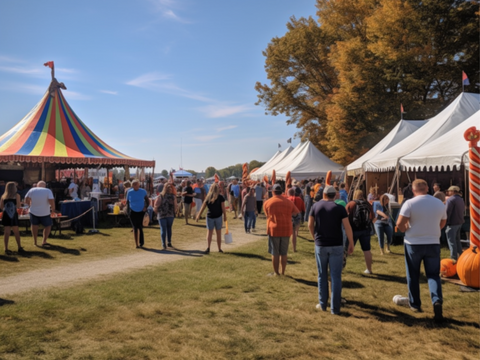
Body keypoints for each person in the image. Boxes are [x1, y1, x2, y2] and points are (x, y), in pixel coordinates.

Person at [396, 179, 447, 322]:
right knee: (433, 275)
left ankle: (415, 304)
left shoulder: (410, 203)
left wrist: (405, 229)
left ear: (413, 190)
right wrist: (434, 230)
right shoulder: (438, 203)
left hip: (413, 242)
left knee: (413, 274)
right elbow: (443, 222)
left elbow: (399, 223)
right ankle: (436, 301)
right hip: (433, 242)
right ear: (427, 188)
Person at [309, 185, 354, 315]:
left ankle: (323, 304)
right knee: (336, 277)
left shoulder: (315, 206)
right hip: (337, 245)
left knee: (322, 275)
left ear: (323, 194)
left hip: (321, 244)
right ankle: (335, 308)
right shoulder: (339, 208)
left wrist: (314, 237)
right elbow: (347, 227)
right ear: (335, 195)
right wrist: (351, 243)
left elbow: (310, 224)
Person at [263, 184, 300, 276]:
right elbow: (296, 212)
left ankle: (276, 272)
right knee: (284, 252)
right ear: (282, 192)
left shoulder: (268, 202)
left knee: (275, 252)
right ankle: (283, 272)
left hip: (273, 229)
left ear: (273, 192)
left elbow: (267, 214)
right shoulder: (288, 202)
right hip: (286, 229)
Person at [346, 190, 374, 274]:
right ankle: (369, 269)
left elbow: (345, 217)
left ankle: (340, 268)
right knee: (367, 250)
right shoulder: (368, 204)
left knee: (346, 249)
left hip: (353, 230)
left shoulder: (351, 204)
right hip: (365, 230)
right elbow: (372, 217)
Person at [196, 183, 227, 254]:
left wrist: (198, 215)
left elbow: (203, 207)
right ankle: (219, 248)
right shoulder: (220, 197)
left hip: (210, 216)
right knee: (218, 233)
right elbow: (223, 208)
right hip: (218, 216)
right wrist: (225, 216)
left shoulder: (208, 197)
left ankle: (208, 247)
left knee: (209, 233)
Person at [24, 181, 55, 247]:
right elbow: (51, 201)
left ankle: (35, 242)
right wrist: (53, 210)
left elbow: (26, 199)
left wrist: (29, 204)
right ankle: (44, 241)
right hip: (45, 212)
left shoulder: (32, 190)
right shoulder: (48, 190)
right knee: (48, 226)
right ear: (45, 186)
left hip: (33, 211)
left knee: (34, 226)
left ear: (37, 185)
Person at [0, 182, 24, 254]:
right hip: (13, 214)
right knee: (16, 231)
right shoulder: (17, 195)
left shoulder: (3, 196)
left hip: (6, 214)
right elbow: (18, 206)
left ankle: (6, 248)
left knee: (6, 232)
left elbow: (1, 207)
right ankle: (19, 247)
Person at [126, 180, 149, 248]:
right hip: (132, 211)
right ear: (132, 185)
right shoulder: (129, 192)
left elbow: (147, 200)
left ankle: (141, 242)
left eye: (136, 184)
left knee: (139, 226)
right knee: (135, 227)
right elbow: (127, 202)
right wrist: (127, 211)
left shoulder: (143, 191)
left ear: (139, 185)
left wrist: (146, 207)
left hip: (141, 211)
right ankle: (136, 244)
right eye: (134, 184)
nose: (135, 186)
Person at [154, 183, 177, 250]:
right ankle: (168, 242)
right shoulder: (173, 196)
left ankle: (164, 244)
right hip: (170, 214)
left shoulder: (160, 196)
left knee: (163, 229)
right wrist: (174, 212)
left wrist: (156, 213)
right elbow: (175, 206)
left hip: (162, 215)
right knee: (169, 228)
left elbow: (156, 206)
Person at [445, 186, 465, 261]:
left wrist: (445, 222)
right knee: (457, 240)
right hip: (459, 222)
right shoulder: (461, 199)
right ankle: (461, 255)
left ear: (453, 191)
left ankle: (454, 258)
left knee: (451, 241)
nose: (448, 192)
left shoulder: (451, 200)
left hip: (452, 223)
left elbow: (447, 212)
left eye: (449, 191)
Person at [287, 188, 305, 252]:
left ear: (288, 193)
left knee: (291, 233)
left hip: (290, 215)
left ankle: (290, 247)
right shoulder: (299, 199)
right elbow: (303, 208)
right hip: (297, 215)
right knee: (295, 232)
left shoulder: (287, 200)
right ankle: (294, 248)